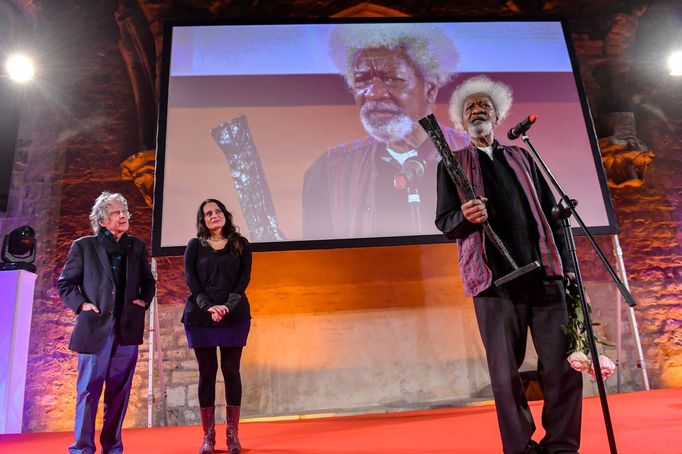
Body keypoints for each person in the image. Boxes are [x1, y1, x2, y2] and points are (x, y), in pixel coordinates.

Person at [435, 76, 583, 454]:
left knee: (563, 369)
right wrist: (465, 216)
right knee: (505, 377)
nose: (477, 110)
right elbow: (446, 223)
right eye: (469, 108)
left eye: (484, 105)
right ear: (461, 121)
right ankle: (520, 448)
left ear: (498, 114)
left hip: (545, 276)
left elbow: (555, 217)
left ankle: (562, 446)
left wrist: (566, 265)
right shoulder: (452, 164)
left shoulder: (522, 157)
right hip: (494, 283)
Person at [302, 24, 468, 239]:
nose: (373, 93)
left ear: (430, 88)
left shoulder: (475, 156)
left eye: (391, 78)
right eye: (362, 80)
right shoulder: (329, 169)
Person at [57, 191, 156, 454]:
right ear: (102, 220)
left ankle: (112, 447)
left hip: (126, 331)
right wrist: (81, 305)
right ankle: (82, 448)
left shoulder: (136, 246)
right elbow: (65, 284)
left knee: (120, 393)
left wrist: (143, 301)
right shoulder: (84, 246)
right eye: (116, 212)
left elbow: (148, 282)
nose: (123, 216)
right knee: (89, 391)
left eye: (125, 211)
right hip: (95, 329)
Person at [182, 198, 252, 454]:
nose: (214, 215)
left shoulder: (240, 244)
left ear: (225, 215)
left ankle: (232, 436)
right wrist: (207, 305)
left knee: (231, 371)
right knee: (207, 372)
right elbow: (191, 280)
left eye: (218, 211)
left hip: (234, 316)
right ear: (203, 220)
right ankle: (208, 437)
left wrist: (227, 306)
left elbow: (243, 280)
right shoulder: (194, 246)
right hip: (201, 317)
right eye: (208, 213)